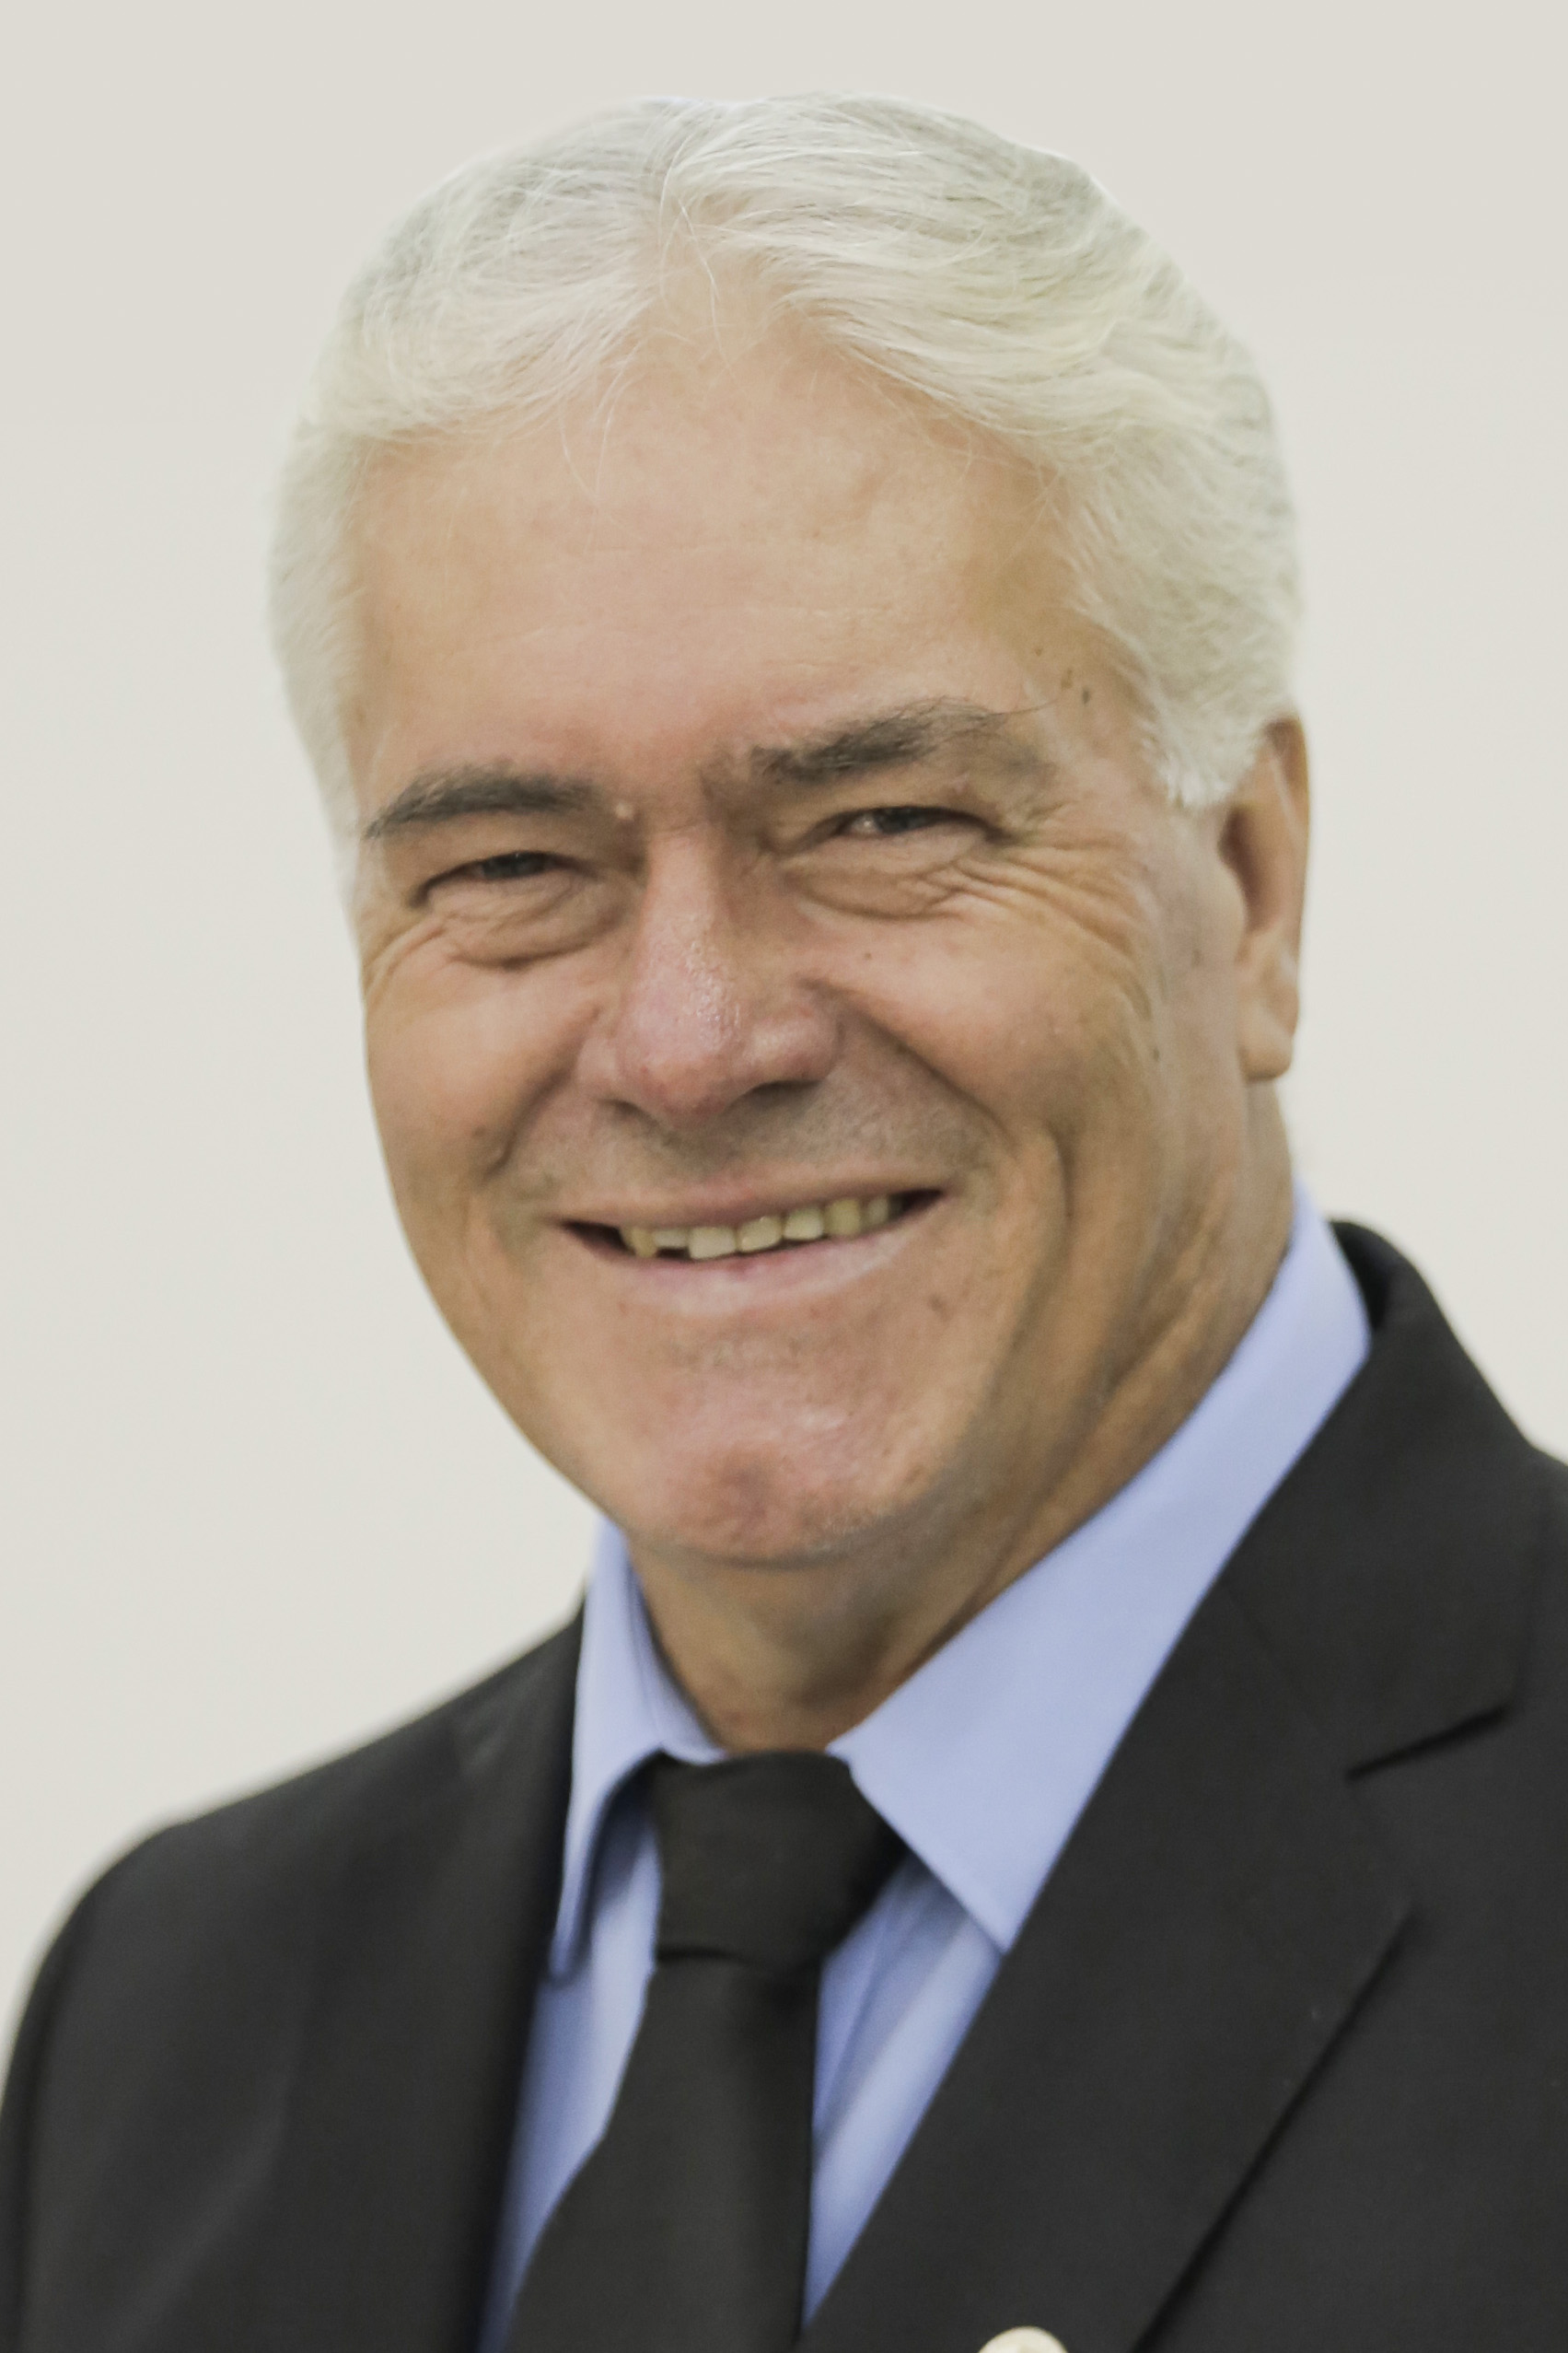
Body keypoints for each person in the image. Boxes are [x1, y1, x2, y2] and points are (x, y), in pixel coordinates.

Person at [2, 92, 1564, 2353]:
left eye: (881, 819)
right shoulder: (166, 2020)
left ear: (1249, 886)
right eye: (511, 867)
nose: (688, 1040)